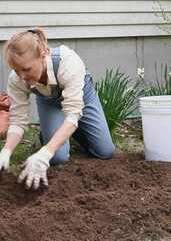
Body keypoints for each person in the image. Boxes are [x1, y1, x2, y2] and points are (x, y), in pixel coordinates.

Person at [0, 28, 116, 190]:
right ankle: (52, 133)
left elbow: (74, 114)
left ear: (42, 55)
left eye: (26, 69)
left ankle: (63, 132)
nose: (23, 77)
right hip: (48, 102)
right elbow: (18, 120)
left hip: (81, 98)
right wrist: (6, 151)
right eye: (17, 71)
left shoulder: (67, 63)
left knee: (106, 151)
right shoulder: (17, 79)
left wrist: (46, 152)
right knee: (58, 157)